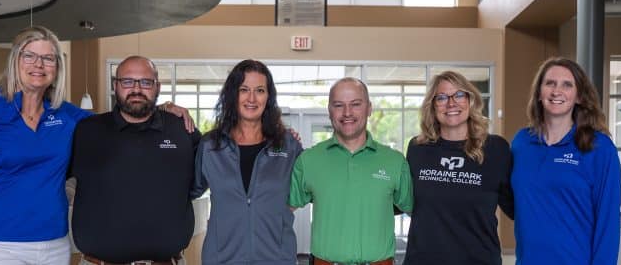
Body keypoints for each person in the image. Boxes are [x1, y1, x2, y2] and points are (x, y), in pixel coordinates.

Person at [0, 26, 90, 265]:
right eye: (29, 56)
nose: (39, 65)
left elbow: (113, 127)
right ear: (15, 61)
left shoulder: (66, 115)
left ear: (57, 67)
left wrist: (164, 111)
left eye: (48, 58)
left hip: (54, 245)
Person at [70, 56, 201, 265]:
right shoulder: (86, 131)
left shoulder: (182, 130)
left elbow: (204, 180)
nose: (137, 89)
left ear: (157, 87)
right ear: (116, 85)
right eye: (128, 81)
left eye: (146, 82)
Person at [289, 77, 413, 265]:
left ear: (369, 108)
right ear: (329, 110)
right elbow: (278, 211)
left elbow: (419, 213)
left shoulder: (395, 162)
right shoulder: (308, 161)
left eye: (355, 104)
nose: (347, 113)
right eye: (339, 105)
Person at [191, 59, 303, 264]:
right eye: (244, 89)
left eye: (260, 90)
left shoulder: (288, 145)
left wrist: (274, 211)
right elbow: (189, 189)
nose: (252, 98)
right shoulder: (210, 146)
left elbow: (304, 191)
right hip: (222, 259)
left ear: (268, 97)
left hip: (276, 259)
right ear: (233, 95)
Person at [511, 57, 621, 264]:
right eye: (550, 83)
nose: (556, 91)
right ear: (539, 93)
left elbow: (608, 223)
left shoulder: (599, 148)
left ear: (579, 96)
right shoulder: (521, 143)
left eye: (567, 85)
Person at [403, 71, 514, 265]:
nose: (451, 103)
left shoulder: (496, 149)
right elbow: (402, 199)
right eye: (442, 97)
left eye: (459, 95)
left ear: (470, 101)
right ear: (432, 106)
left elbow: (515, 206)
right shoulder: (418, 149)